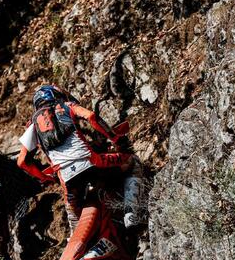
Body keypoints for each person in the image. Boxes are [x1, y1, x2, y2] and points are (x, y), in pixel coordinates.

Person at [17, 84, 143, 233]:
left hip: (67, 177)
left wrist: (46, 178)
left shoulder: (32, 126)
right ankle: (132, 214)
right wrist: (115, 138)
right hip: (92, 163)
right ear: (54, 95)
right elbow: (90, 116)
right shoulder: (66, 105)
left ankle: (76, 243)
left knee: (74, 217)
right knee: (133, 162)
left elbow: (22, 161)